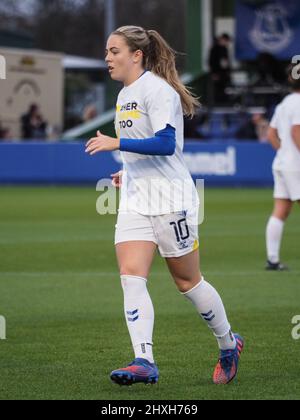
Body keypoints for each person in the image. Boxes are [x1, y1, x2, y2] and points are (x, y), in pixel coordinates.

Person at [85, 25, 244, 386]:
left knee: (187, 282)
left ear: (136, 55)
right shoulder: (125, 93)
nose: (107, 58)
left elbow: (165, 144)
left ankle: (228, 343)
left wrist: (116, 144)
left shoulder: (158, 90)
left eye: (114, 51)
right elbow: (140, 148)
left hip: (171, 199)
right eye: (107, 52)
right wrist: (127, 171)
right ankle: (145, 359)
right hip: (136, 200)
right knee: (130, 276)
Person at [266, 64, 300, 271]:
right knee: (281, 210)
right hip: (296, 166)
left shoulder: (285, 102)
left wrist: (283, 151)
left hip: (282, 163)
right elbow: (297, 131)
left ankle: (273, 259)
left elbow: (271, 134)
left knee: (280, 210)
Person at [209, 34, 232, 105]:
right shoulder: (215, 49)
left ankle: (225, 103)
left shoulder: (224, 49)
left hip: (224, 74)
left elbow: (226, 62)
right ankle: (218, 103)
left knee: (225, 90)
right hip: (217, 74)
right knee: (218, 90)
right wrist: (214, 73)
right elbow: (211, 62)